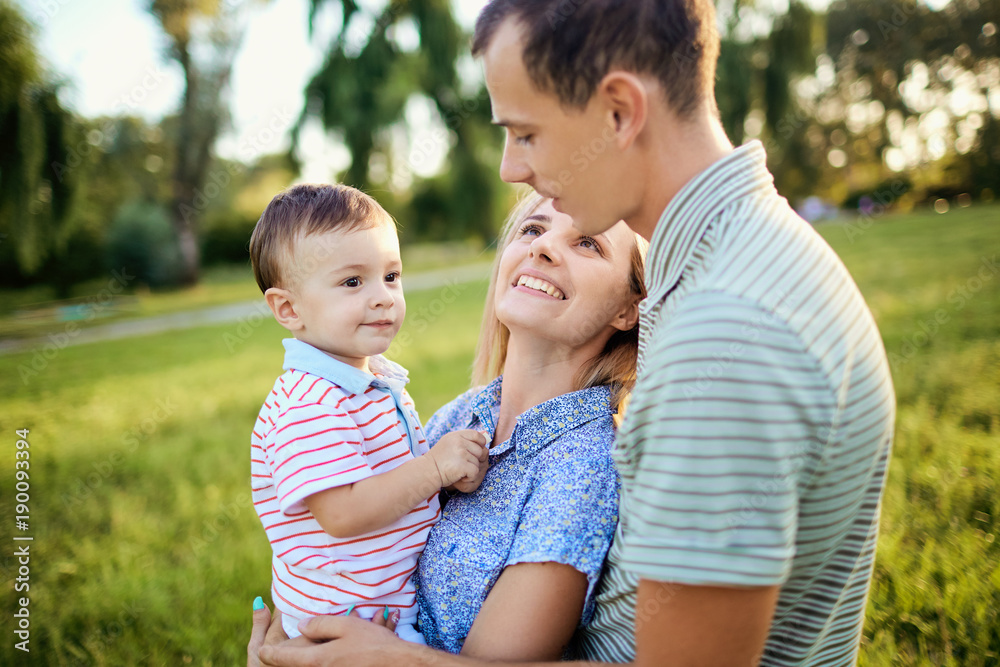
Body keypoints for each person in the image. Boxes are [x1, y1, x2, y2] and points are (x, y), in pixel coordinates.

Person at [250, 0, 895, 664]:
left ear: (619, 111)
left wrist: (384, 659)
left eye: (526, 133)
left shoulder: (729, 328)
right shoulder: (721, 269)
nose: (511, 169)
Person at [249, 192, 647, 664]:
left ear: (628, 309)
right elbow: (335, 538)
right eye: (532, 229)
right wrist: (283, 644)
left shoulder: (582, 465)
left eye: (588, 243)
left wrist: (385, 657)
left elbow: (501, 662)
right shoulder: (460, 416)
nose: (542, 247)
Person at [248, 183, 489, 643]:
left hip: (378, 604)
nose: (383, 297)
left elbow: (387, 480)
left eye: (391, 276)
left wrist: (442, 483)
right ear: (289, 308)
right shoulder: (310, 402)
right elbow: (343, 512)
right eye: (353, 282)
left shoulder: (369, 379)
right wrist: (433, 469)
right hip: (346, 624)